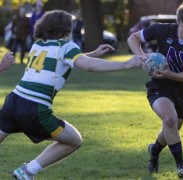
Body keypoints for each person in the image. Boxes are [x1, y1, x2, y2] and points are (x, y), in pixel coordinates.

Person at [0, 10, 143, 179]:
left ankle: (26, 172)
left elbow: (62, 62)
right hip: (35, 107)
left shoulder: (38, 45)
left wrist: (92, 54)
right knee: (74, 140)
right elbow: (87, 66)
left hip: (14, 100)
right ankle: (28, 171)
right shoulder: (67, 47)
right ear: (65, 29)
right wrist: (125, 64)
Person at [128, 2, 183, 178]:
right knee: (169, 120)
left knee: (171, 128)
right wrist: (143, 58)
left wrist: (168, 73)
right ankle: (181, 165)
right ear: (181, 22)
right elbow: (133, 38)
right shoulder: (162, 30)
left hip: (181, 90)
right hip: (159, 86)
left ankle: (154, 151)